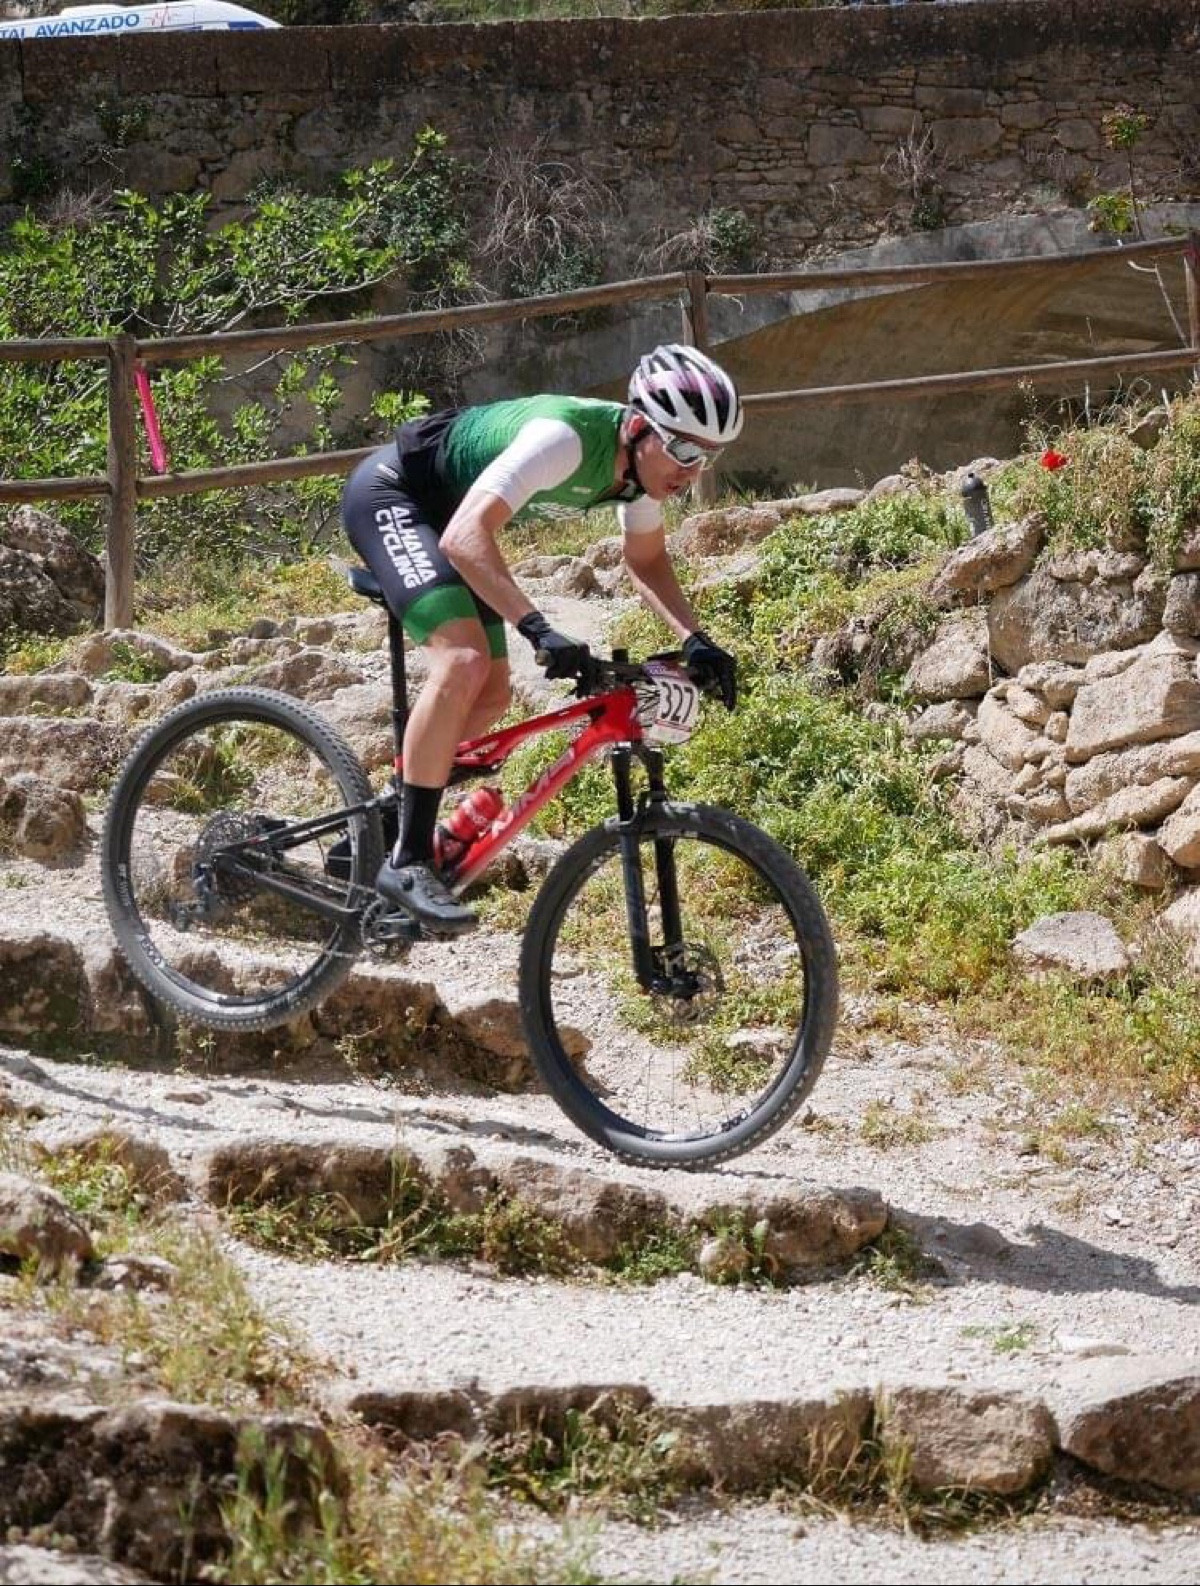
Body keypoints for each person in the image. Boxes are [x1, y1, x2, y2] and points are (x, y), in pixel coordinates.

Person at [340, 342, 743, 936]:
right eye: (684, 449)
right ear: (639, 428)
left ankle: (384, 818)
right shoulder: (565, 439)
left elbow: (646, 560)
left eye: (708, 456)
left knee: (492, 696)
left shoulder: (638, 476)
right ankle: (409, 861)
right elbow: (464, 538)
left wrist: (695, 638)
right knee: (463, 660)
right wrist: (537, 628)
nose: (692, 470)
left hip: (452, 522)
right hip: (397, 496)